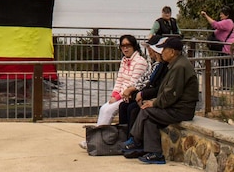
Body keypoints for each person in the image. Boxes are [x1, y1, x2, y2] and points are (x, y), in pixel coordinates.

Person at [122, 37, 198, 165]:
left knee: (146, 111)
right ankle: (155, 153)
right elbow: (167, 92)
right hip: (176, 107)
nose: (161, 52)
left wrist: (154, 103)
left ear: (172, 52)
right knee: (150, 117)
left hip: (181, 110)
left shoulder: (179, 67)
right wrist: (154, 101)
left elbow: (171, 94)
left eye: (164, 49)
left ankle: (136, 140)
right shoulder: (176, 64)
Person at [79, 34, 149, 149]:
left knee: (108, 111)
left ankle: (96, 140)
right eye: (123, 46)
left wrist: (118, 97)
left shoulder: (140, 62)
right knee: (104, 108)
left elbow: (133, 83)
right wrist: (114, 94)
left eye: (128, 46)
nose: (125, 49)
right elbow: (119, 79)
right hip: (121, 94)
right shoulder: (124, 60)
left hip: (129, 94)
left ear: (134, 46)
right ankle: (95, 138)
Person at [119, 35, 169, 136]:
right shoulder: (153, 64)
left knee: (133, 109)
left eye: (150, 48)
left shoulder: (163, 66)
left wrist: (141, 94)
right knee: (123, 106)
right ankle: (123, 136)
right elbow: (144, 79)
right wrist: (133, 90)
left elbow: (156, 86)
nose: (149, 51)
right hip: (145, 93)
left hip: (154, 97)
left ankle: (134, 139)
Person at [202, 5, 234, 88]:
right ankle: (226, 85)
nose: (220, 15)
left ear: (227, 15)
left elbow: (215, 25)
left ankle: (227, 85)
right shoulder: (229, 22)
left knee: (225, 67)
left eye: (222, 14)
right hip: (227, 48)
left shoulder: (228, 22)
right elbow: (217, 31)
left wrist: (206, 16)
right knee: (225, 67)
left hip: (226, 49)